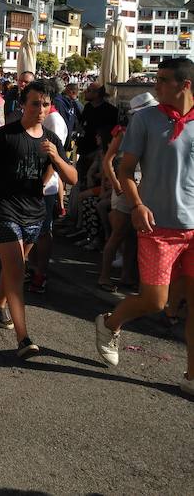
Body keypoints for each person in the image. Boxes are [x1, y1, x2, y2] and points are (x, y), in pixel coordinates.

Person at [95, 58, 194, 396]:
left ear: (185, 85)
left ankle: (191, 377)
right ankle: (111, 323)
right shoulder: (146, 119)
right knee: (155, 301)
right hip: (157, 227)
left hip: (193, 229)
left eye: (163, 81)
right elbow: (125, 170)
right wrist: (137, 204)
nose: (156, 86)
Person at [0, 81, 77, 358]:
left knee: (13, 268)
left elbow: (72, 178)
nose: (40, 109)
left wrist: (56, 158)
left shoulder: (51, 140)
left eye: (45, 104)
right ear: (22, 105)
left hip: (34, 213)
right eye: (34, 103)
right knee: (17, 270)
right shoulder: (6, 135)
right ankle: (23, 338)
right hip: (3, 210)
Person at [95, 93, 157, 292]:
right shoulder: (123, 132)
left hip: (139, 184)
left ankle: (127, 276)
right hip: (125, 185)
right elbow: (107, 161)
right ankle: (105, 277)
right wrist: (116, 185)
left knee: (131, 236)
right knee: (119, 234)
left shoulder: (146, 130)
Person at [27, 90, 69, 294]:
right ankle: (33, 268)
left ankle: (40, 273)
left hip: (46, 188)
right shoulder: (40, 116)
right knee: (32, 231)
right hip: (33, 185)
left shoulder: (54, 121)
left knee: (43, 232)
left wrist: (41, 183)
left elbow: (54, 156)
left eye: (44, 103)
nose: (40, 107)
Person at [77, 82, 118, 184]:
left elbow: (112, 135)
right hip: (84, 152)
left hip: (98, 155)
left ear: (97, 94)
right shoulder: (87, 107)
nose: (85, 92)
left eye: (89, 90)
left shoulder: (110, 111)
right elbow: (82, 124)